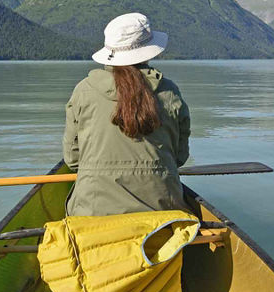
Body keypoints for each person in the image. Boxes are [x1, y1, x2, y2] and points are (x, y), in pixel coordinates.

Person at [63, 13, 191, 216]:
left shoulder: (82, 91)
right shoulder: (169, 91)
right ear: (148, 52)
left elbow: (72, 160)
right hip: (162, 210)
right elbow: (180, 157)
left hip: (92, 211)